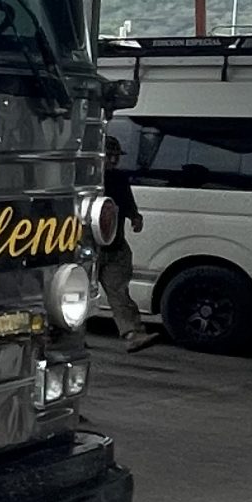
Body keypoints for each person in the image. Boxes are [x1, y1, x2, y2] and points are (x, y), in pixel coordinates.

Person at [99, 136, 157, 351]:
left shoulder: (119, 179)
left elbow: (127, 204)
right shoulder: (84, 179)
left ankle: (133, 334)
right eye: (109, 156)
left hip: (114, 246)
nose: (113, 161)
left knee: (119, 292)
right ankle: (66, 337)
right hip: (86, 247)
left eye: (116, 157)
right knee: (76, 295)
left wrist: (135, 217)